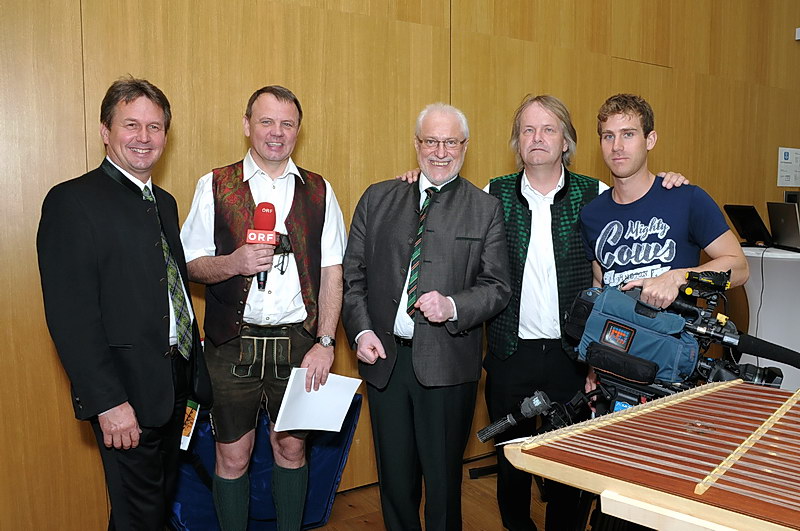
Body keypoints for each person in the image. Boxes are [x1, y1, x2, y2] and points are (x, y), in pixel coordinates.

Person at [397, 94, 688, 531]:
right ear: (517, 141)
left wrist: (669, 183)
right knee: (511, 464)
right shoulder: (491, 194)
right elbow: (441, 199)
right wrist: (415, 180)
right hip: (508, 353)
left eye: (548, 129)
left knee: (568, 469)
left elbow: (640, 202)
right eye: (528, 130)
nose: (537, 138)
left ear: (566, 141)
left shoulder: (598, 195)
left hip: (574, 358)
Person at [37, 77, 211, 530]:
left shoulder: (165, 202)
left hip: (174, 384)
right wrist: (108, 402)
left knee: (152, 508)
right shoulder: (72, 201)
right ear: (105, 131)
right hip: (125, 394)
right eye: (131, 125)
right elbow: (71, 317)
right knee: (141, 515)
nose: (143, 137)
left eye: (155, 127)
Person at [180, 85, 346, 531]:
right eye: (266, 121)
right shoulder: (214, 184)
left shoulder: (320, 190)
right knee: (232, 455)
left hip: (299, 342)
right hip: (231, 343)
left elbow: (333, 271)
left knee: (292, 448)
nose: (277, 132)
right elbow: (190, 263)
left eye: (287, 123)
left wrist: (326, 342)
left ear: (298, 131)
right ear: (247, 125)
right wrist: (233, 263)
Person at [342, 103, 511, 531]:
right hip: (385, 362)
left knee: (443, 484)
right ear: (416, 144)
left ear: (465, 146)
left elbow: (497, 287)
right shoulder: (378, 198)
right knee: (395, 482)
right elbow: (352, 277)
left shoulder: (485, 208)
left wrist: (453, 306)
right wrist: (360, 331)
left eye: (450, 142)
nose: (440, 152)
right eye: (431, 141)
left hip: (448, 366)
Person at [581, 93, 748, 307]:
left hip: (672, 328)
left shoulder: (686, 199)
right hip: (614, 328)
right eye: (608, 136)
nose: (617, 146)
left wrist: (677, 277)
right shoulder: (591, 214)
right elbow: (600, 281)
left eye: (628, 134)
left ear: (650, 140)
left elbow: (740, 268)